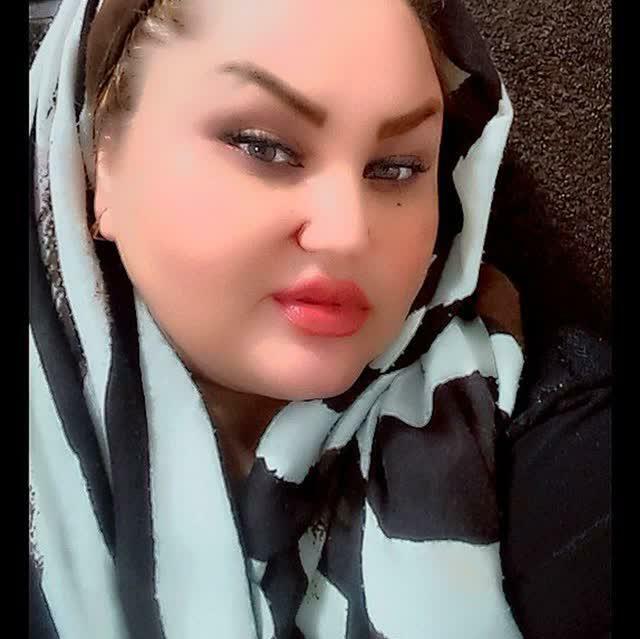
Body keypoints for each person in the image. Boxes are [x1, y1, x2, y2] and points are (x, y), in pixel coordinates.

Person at [29, 0, 610, 637]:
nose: (346, 233)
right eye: (264, 147)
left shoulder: (543, 425)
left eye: (398, 168)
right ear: (100, 160)